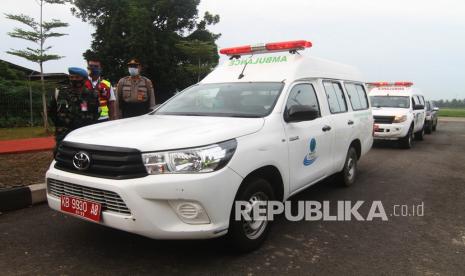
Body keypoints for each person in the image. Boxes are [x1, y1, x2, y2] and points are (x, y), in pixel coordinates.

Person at [48, 67, 100, 153]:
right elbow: (51, 112)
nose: (74, 80)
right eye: (71, 77)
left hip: (85, 134)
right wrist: (61, 124)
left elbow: (96, 113)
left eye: (77, 77)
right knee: (62, 157)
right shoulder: (60, 92)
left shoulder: (92, 95)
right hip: (64, 134)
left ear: (84, 79)